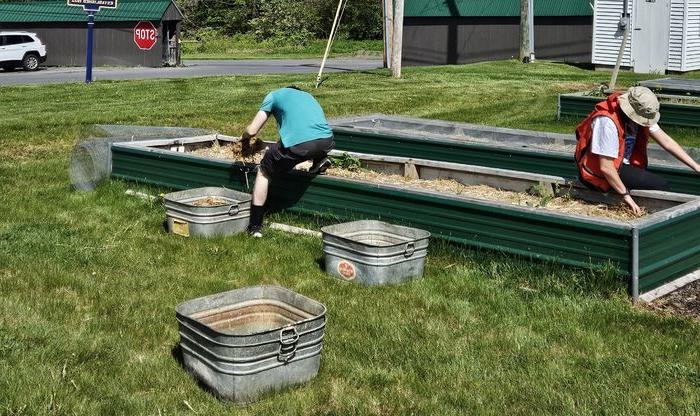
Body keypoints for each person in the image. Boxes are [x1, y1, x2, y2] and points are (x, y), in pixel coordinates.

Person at [575, 86, 700, 216]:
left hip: (620, 163)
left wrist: (696, 166)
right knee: (660, 185)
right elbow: (606, 167)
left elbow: (667, 142)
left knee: (651, 180)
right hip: (598, 171)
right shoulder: (607, 122)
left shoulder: (640, 112)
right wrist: (626, 195)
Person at [240, 86, 334, 237]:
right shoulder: (307, 96)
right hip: (327, 141)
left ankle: (255, 226)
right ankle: (319, 160)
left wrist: (244, 138)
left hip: (301, 145)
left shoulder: (273, 96)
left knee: (264, 171)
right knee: (303, 148)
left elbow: (252, 131)